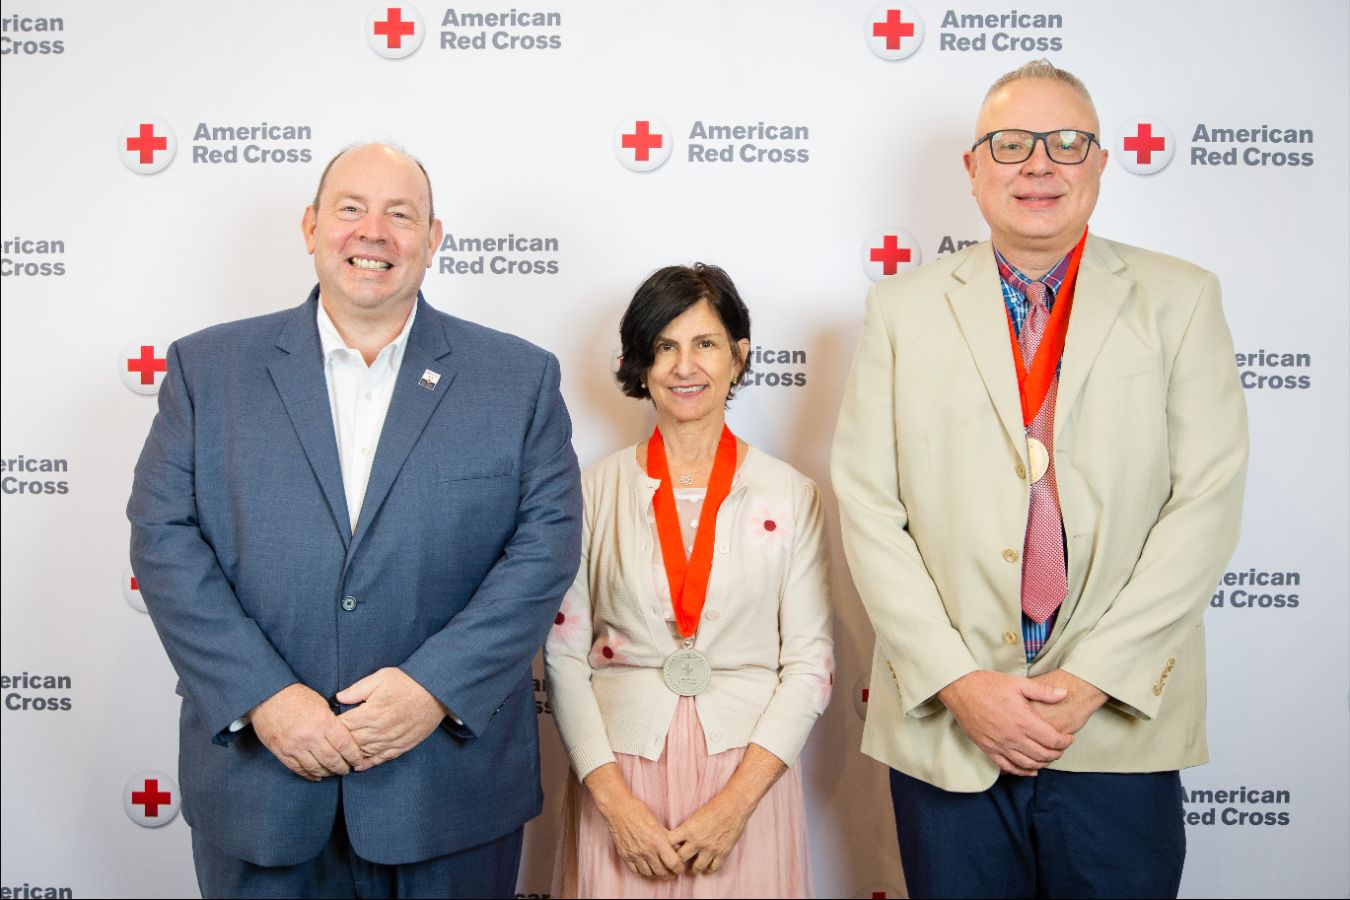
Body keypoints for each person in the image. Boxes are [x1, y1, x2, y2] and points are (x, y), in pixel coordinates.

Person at [832, 61, 1248, 899]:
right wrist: (958, 681)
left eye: (1068, 143)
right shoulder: (901, 311)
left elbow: (1206, 503)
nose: (1039, 164)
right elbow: (868, 506)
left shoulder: (1181, 301)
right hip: (951, 732)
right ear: (975, 168)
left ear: (1100, 163)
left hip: (1117, 726)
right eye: (1012, 143)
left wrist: (1093, 680)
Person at [127, 142, 582, 899]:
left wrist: (432, 689)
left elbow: (545, 548)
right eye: (350, 209)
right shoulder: (208, 371)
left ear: (433, 240)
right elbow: (163, 537)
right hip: (263, 789)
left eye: (400, 215)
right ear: (310, 227)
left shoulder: (519, 378)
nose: (373, 232)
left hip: (447, 790)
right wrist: (264, 696)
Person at [544, 264, 833, 898]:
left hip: (748, 777)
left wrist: (734, 808)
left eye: (704, 343)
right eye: (664, 346)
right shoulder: (591, 492)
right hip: (620, 773)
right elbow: (563, 661)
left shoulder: (791, 495)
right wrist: (615, 806)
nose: (684, 366)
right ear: (639, 363)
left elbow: (810, 666)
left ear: (739, 355)